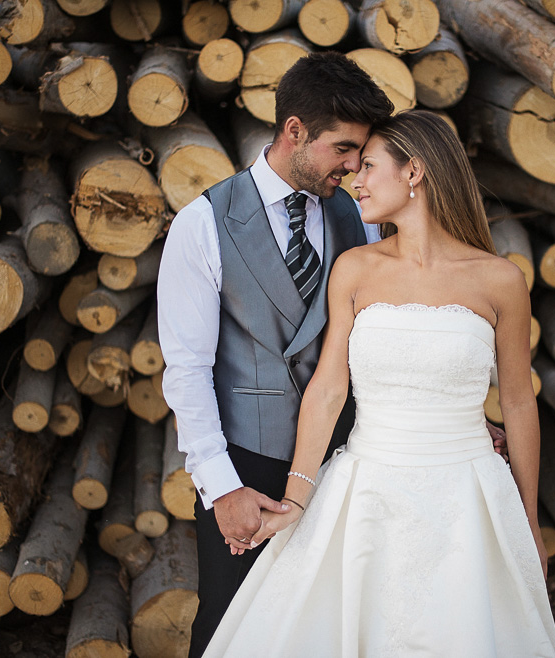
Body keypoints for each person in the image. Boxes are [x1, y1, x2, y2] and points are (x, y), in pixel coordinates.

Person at [202, 110, 555, 657]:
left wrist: (528, 522)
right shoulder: (354, 269)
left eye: (369, 166)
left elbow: (517, 401)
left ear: (414, 170)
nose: (356, 180)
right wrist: (297, 500)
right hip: (367, 490)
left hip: (469, 495)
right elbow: (328, 389)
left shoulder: (501, 280)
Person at [157, 52, 396, 658]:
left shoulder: (358, 214)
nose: (354, 165)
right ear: (294, 131)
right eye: (342, 148)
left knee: (330, 625)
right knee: (234, 628)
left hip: (344, 458)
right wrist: (220, 486)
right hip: (250, 466)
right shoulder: (203, 222)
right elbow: (185, 369)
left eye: (360, 152)